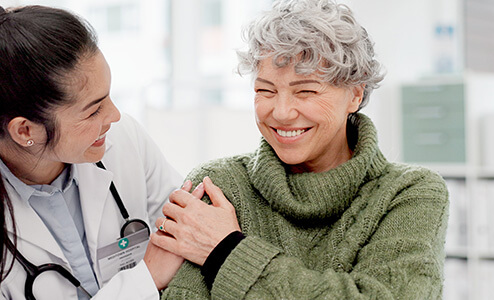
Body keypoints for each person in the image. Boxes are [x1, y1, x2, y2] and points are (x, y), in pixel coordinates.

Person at [150, 0, 449, 299]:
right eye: (265, 90)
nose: (281, 112)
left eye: (305, 91)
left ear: (355, 95)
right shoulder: (219, 185)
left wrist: (226, 252)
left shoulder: (411, 193)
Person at [0, 1, 186, 299]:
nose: (114, 115)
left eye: (109, 96)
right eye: (92, 111)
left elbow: (189, 238)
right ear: (25, 131)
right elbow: (162, 265)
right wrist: (145, 280)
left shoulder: (125, 141)